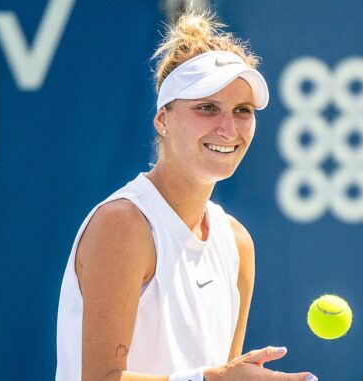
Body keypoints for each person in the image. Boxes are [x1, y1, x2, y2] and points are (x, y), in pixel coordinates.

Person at [55, 9, 318, 381]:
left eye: (242, 110)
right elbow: (100, 378)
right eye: (207, 108)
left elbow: (223, 375)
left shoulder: (238, 242)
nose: (228, 129)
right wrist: (211, 379)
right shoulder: (125, 224)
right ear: (163, 119)